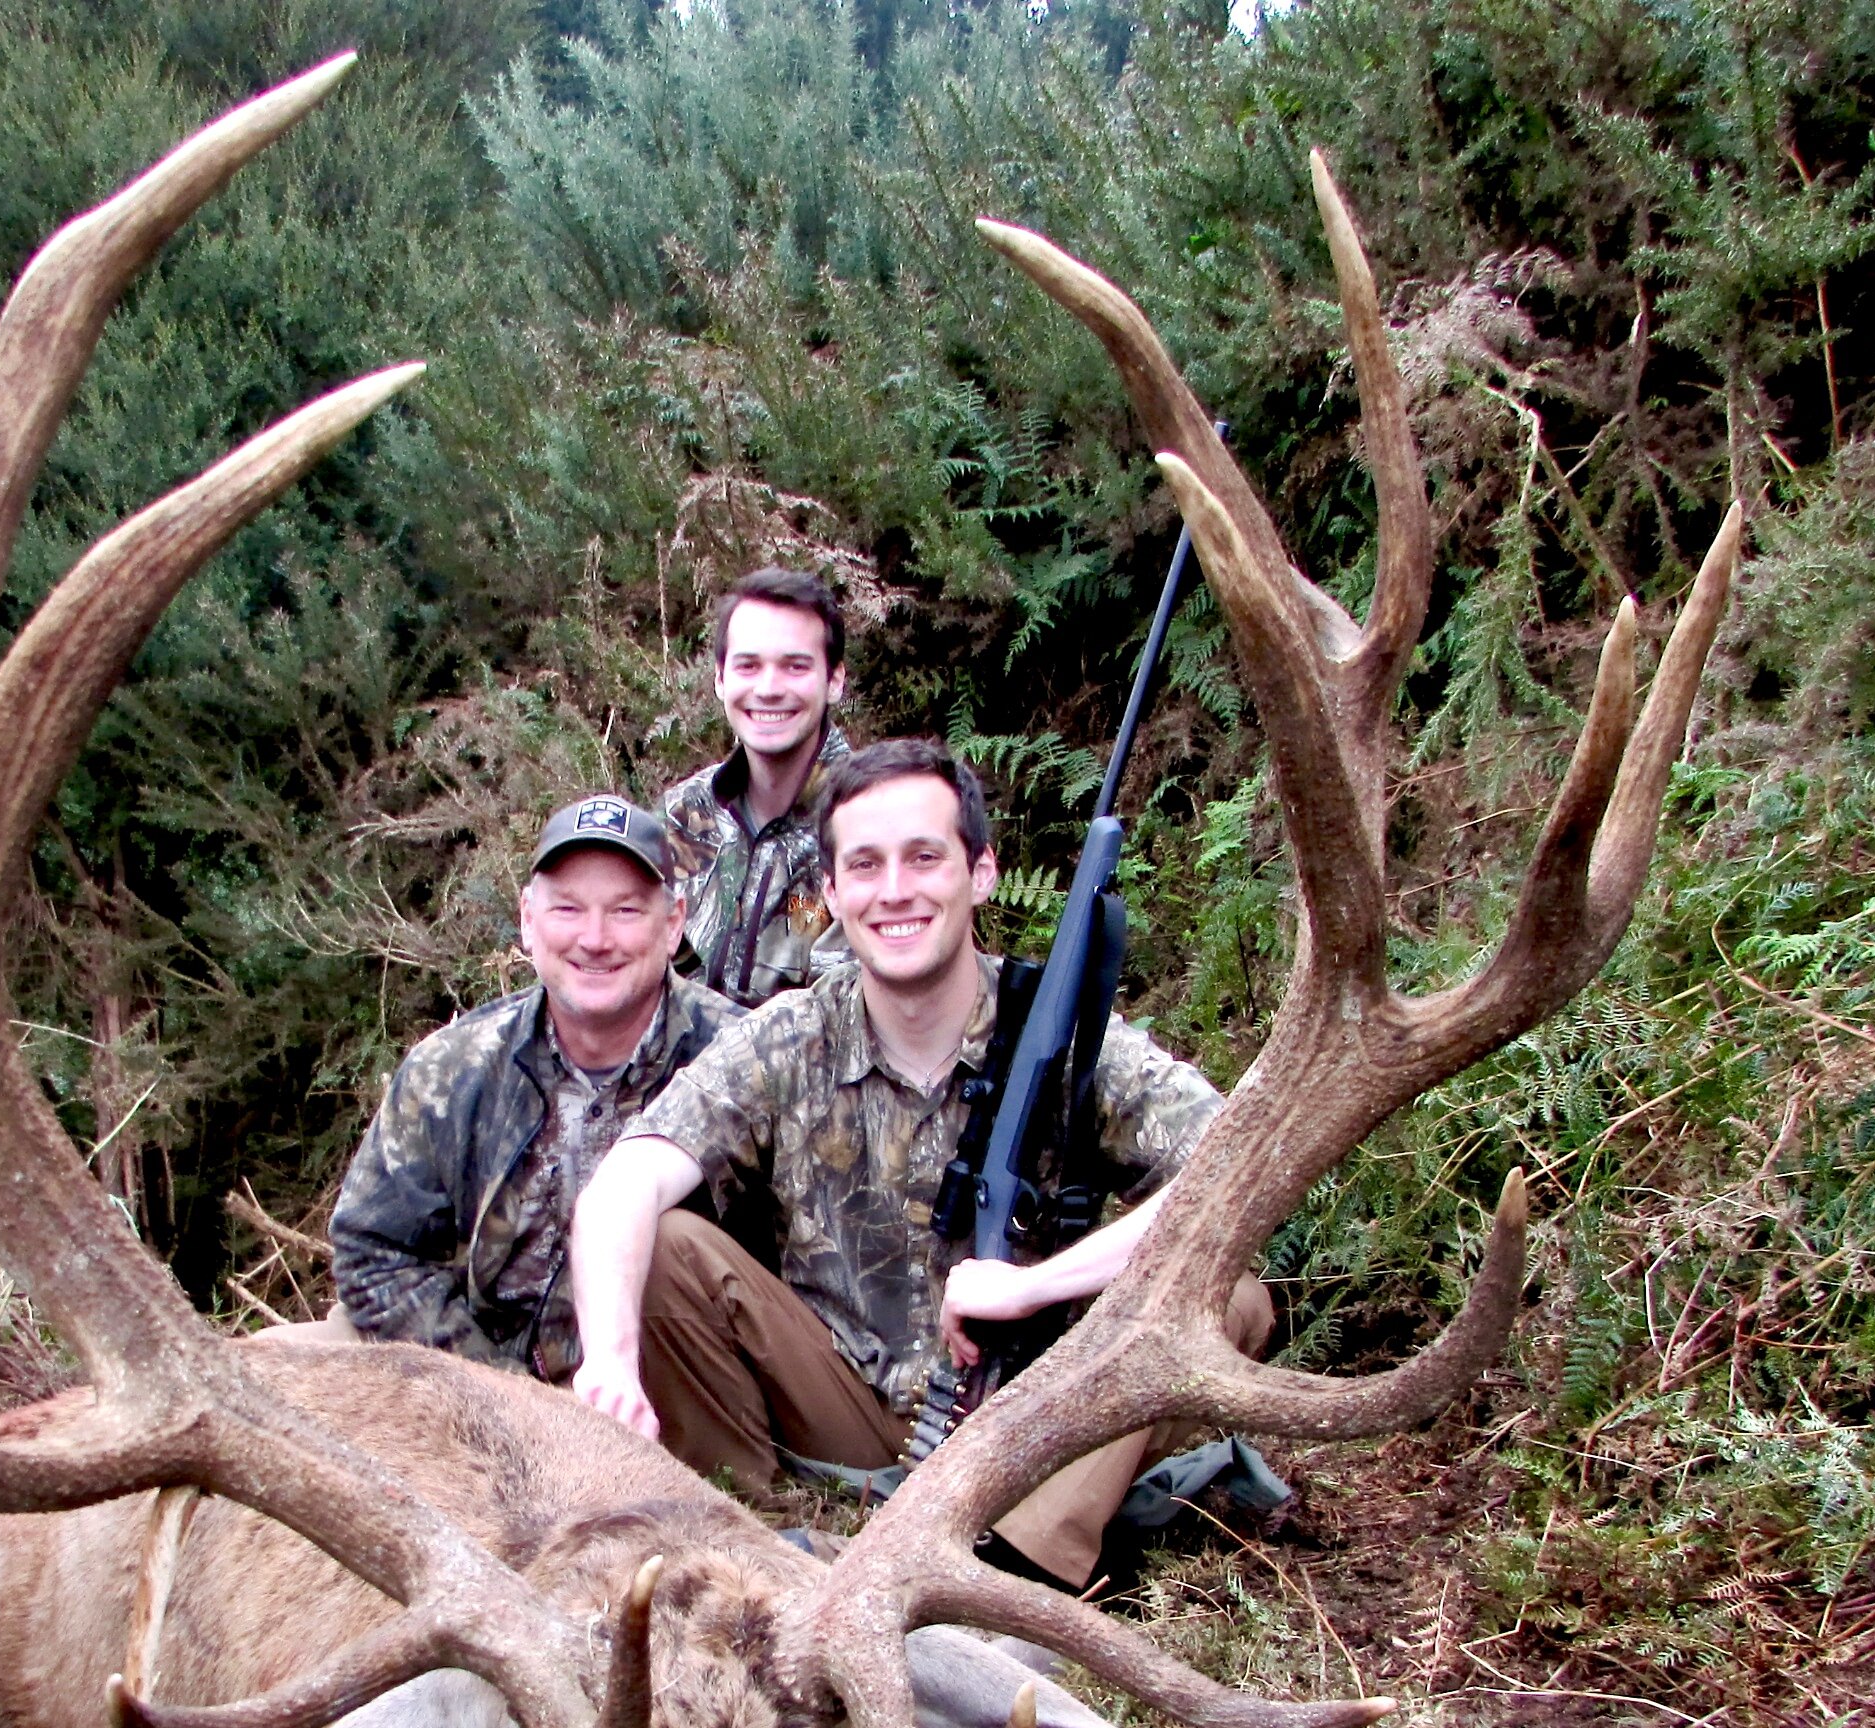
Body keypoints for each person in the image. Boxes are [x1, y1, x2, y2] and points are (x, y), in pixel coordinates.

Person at [566, 740, 1271, 1587]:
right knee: (667, 1249)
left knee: (1224, 1291)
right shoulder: (790, 1039)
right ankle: (742, 1548)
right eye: (864, 864)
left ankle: (1011, 1574)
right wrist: (607, 1359)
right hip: (846, 1414)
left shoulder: (1071, 1041)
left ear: (981, 874)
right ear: (830, 893)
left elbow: (1245, 1174)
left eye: (924, 857)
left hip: (1039, 1417)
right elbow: (624, 1182)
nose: (893, 890)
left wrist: (1033, 1287)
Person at [321, 796, 738, 1380]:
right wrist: (497, 1390)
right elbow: (374, 1253)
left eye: (624, 912)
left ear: (673, 925)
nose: (594, 939)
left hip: (657, 1393)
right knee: (289, 1360)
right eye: (567, 909)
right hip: (479, 1376)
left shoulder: (740, 1065)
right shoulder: (451, 1068)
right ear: (527, 919)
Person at [656, 567, 856, 1004]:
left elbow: (849, 1017)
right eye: (748, 666)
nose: (768, 689)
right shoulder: (682, 815)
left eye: (795, 666)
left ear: (834, 680)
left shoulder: (867, 824)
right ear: (720, 679)